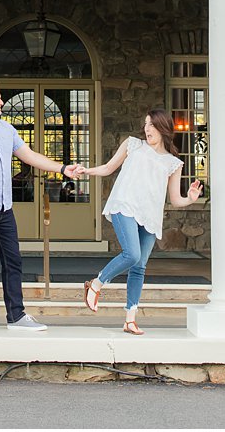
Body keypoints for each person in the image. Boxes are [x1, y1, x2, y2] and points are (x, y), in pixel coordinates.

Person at [0, 81, 87, 335]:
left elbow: (30, 156)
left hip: (4, 208)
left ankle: (16, 315)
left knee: (13, 260)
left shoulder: (6, 130)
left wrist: (63, 168)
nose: (1, 102)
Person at [78, 109, 203, 335]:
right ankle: (95, 284)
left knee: (139, 267)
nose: (147, 129)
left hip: (150, 216)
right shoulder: (133, 145)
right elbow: (108, 168)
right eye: (146, 124)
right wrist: (86, 170)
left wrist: (190, 199)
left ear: (163, 128)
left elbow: (175, 200)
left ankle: (130, 319)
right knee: (132, 254)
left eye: (152, 125)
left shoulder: (172, 163)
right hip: (124, 206)